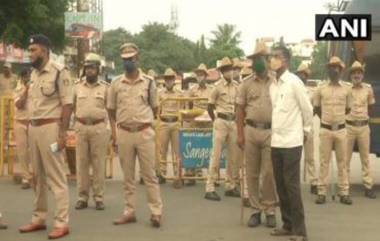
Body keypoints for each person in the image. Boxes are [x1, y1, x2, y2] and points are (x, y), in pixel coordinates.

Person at [19, 34, 72, 239]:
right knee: (37, 177)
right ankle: (39, 218)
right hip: (33, 128)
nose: (30, 53)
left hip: (51, 128)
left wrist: (63, 134)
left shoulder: (60, 71)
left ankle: (62, 222)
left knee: (56, 177)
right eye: (30, 50)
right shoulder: (33, 74)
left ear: (45, 50)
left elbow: (67, 104)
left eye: (34, 50)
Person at [107, 43, 163, 228]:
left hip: (144, 132)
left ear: (137, 59)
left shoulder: (149, 82)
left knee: (149, 175)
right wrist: (115, 134)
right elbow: (111, 110)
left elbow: (155, 107)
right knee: (128, 176)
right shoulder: (116, 83)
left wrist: (144, 123)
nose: (128, 62)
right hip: (124, 133)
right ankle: (129, 211)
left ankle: (156, 212)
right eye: (125, 60)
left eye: (131, 59)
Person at [269, 45, 313, 241]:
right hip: (276, 141)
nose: (272, 60)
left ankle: (299, 230)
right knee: (280, 185)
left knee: (292, 186)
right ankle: (287, 224)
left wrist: (306, 132)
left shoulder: (294, 82)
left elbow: (307, 109)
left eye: (276, 57)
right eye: (272, 57)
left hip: (292, 142)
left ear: (285, 60)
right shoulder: (273, 85)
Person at [237, 41, 277, 228]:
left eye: (262, 58)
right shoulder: (245, 84)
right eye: (255, 59)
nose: (258, 62)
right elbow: (239, 110)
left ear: (268, 60)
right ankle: (255, 210)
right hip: (251, 130)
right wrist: (240, 134)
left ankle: (269, 210)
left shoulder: (277, 81)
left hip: (271, 131)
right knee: (251, 173)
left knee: (269, 173)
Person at [314, 56, 353, 205]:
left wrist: (338, 120)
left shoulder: (347, 89)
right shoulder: (320, 88)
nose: (334, 70)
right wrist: (327, 119)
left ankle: (344, 192)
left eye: (337, 67)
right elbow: (317, 108)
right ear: (328, 69)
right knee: (324, 162)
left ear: (341, 70)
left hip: (341, 130)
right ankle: (322, 192)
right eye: (332, 67)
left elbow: (348, 108)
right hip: (325, 129)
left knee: (342, 162)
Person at [74, 53, 110, 211]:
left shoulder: (105, 88)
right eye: (87, 68)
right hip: (81, 127)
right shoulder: (77, 87)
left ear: (98, 70)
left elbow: (110, 109)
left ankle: (99, 197)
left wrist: (109, 130)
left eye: (92, 68)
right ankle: (82, 197)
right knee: (81, 163)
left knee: (98, 163)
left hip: (98, 128)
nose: (89, 71)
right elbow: (71, 106)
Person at [204, 57, 240, 201]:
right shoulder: (217, 86)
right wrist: (216, 121)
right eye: (226, 70)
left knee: (233, 156)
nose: (229, 72)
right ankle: (210, 187)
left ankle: (230, 185)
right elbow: (209, 106)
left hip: (233, 121)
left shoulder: (237, 86)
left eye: (230, 69)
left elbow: (239, 105)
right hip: (221, 120)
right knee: (216, 155)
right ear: (222, 72)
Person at [346, 61, 376, 199]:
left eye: (359, 72)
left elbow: (371, 107)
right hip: (349, 126)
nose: (357, 75)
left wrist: (364, 118)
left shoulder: (368, 89)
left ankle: (368, 186)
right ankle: (344, 186)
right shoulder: (346, 89)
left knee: (365, 159)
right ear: (351, 75)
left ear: (362, 75)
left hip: (363, 127)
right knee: (345, 159)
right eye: (354, 73)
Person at [157, 68, 182, 184]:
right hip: (163, 122)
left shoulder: (179, 93)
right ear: (164, 80)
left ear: (174, 80)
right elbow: (157, 109)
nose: (169, 81)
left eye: (171, 78)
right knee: (163, 149)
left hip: (176, 122)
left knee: (177, 150)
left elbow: (184, 108)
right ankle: (162, 173)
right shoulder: (159, 93)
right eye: (167, 78)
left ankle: (177, 175)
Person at [296, 63, 318, 195]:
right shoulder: (293, 88)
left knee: (310, 156)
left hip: (308, 126)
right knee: (294, 156)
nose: (302, 76)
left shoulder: (312, 91)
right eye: (300, 74)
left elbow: (315, 108)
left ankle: (314, 182)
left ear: (307, 76)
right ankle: (294, 183)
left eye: (304, 74)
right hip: (295, 126)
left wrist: (307, 118)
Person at [14, 68, 33, 189]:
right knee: (22, 152)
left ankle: (38, 177)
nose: (28, 78)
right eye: (25, 76)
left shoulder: (37, 88)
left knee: (36, 152)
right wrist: (25, 90)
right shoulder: (17, 89)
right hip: (20, 123)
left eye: (29, 76)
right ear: (21, 78)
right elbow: (19, 105)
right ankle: (26, 178)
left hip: (33, 123)